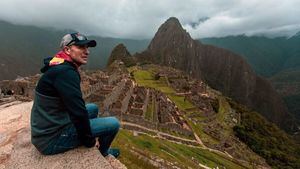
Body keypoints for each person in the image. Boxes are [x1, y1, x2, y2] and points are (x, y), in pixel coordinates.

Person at [30, 33, 120, 157]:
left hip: (51, 125)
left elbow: (78, 109)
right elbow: (77, 112)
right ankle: (103, 152)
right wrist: (90, 141)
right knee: (113, 124)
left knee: (93, 108)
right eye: (81, 47)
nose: (87, 52)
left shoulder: (60, 65)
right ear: (67, 49)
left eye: (87, 48)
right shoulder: (66, 73)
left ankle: (87, 133)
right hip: (50, 140)